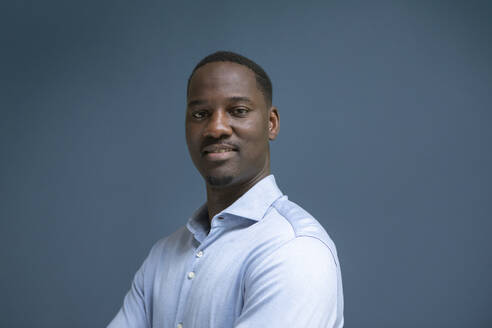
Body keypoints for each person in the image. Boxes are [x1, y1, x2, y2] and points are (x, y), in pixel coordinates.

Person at [107, 51, 344, 328]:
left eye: (238, 111)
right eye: (200, 114)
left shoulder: (295, 249)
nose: (216, 127)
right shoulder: (163, 255)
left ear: (271, 123)